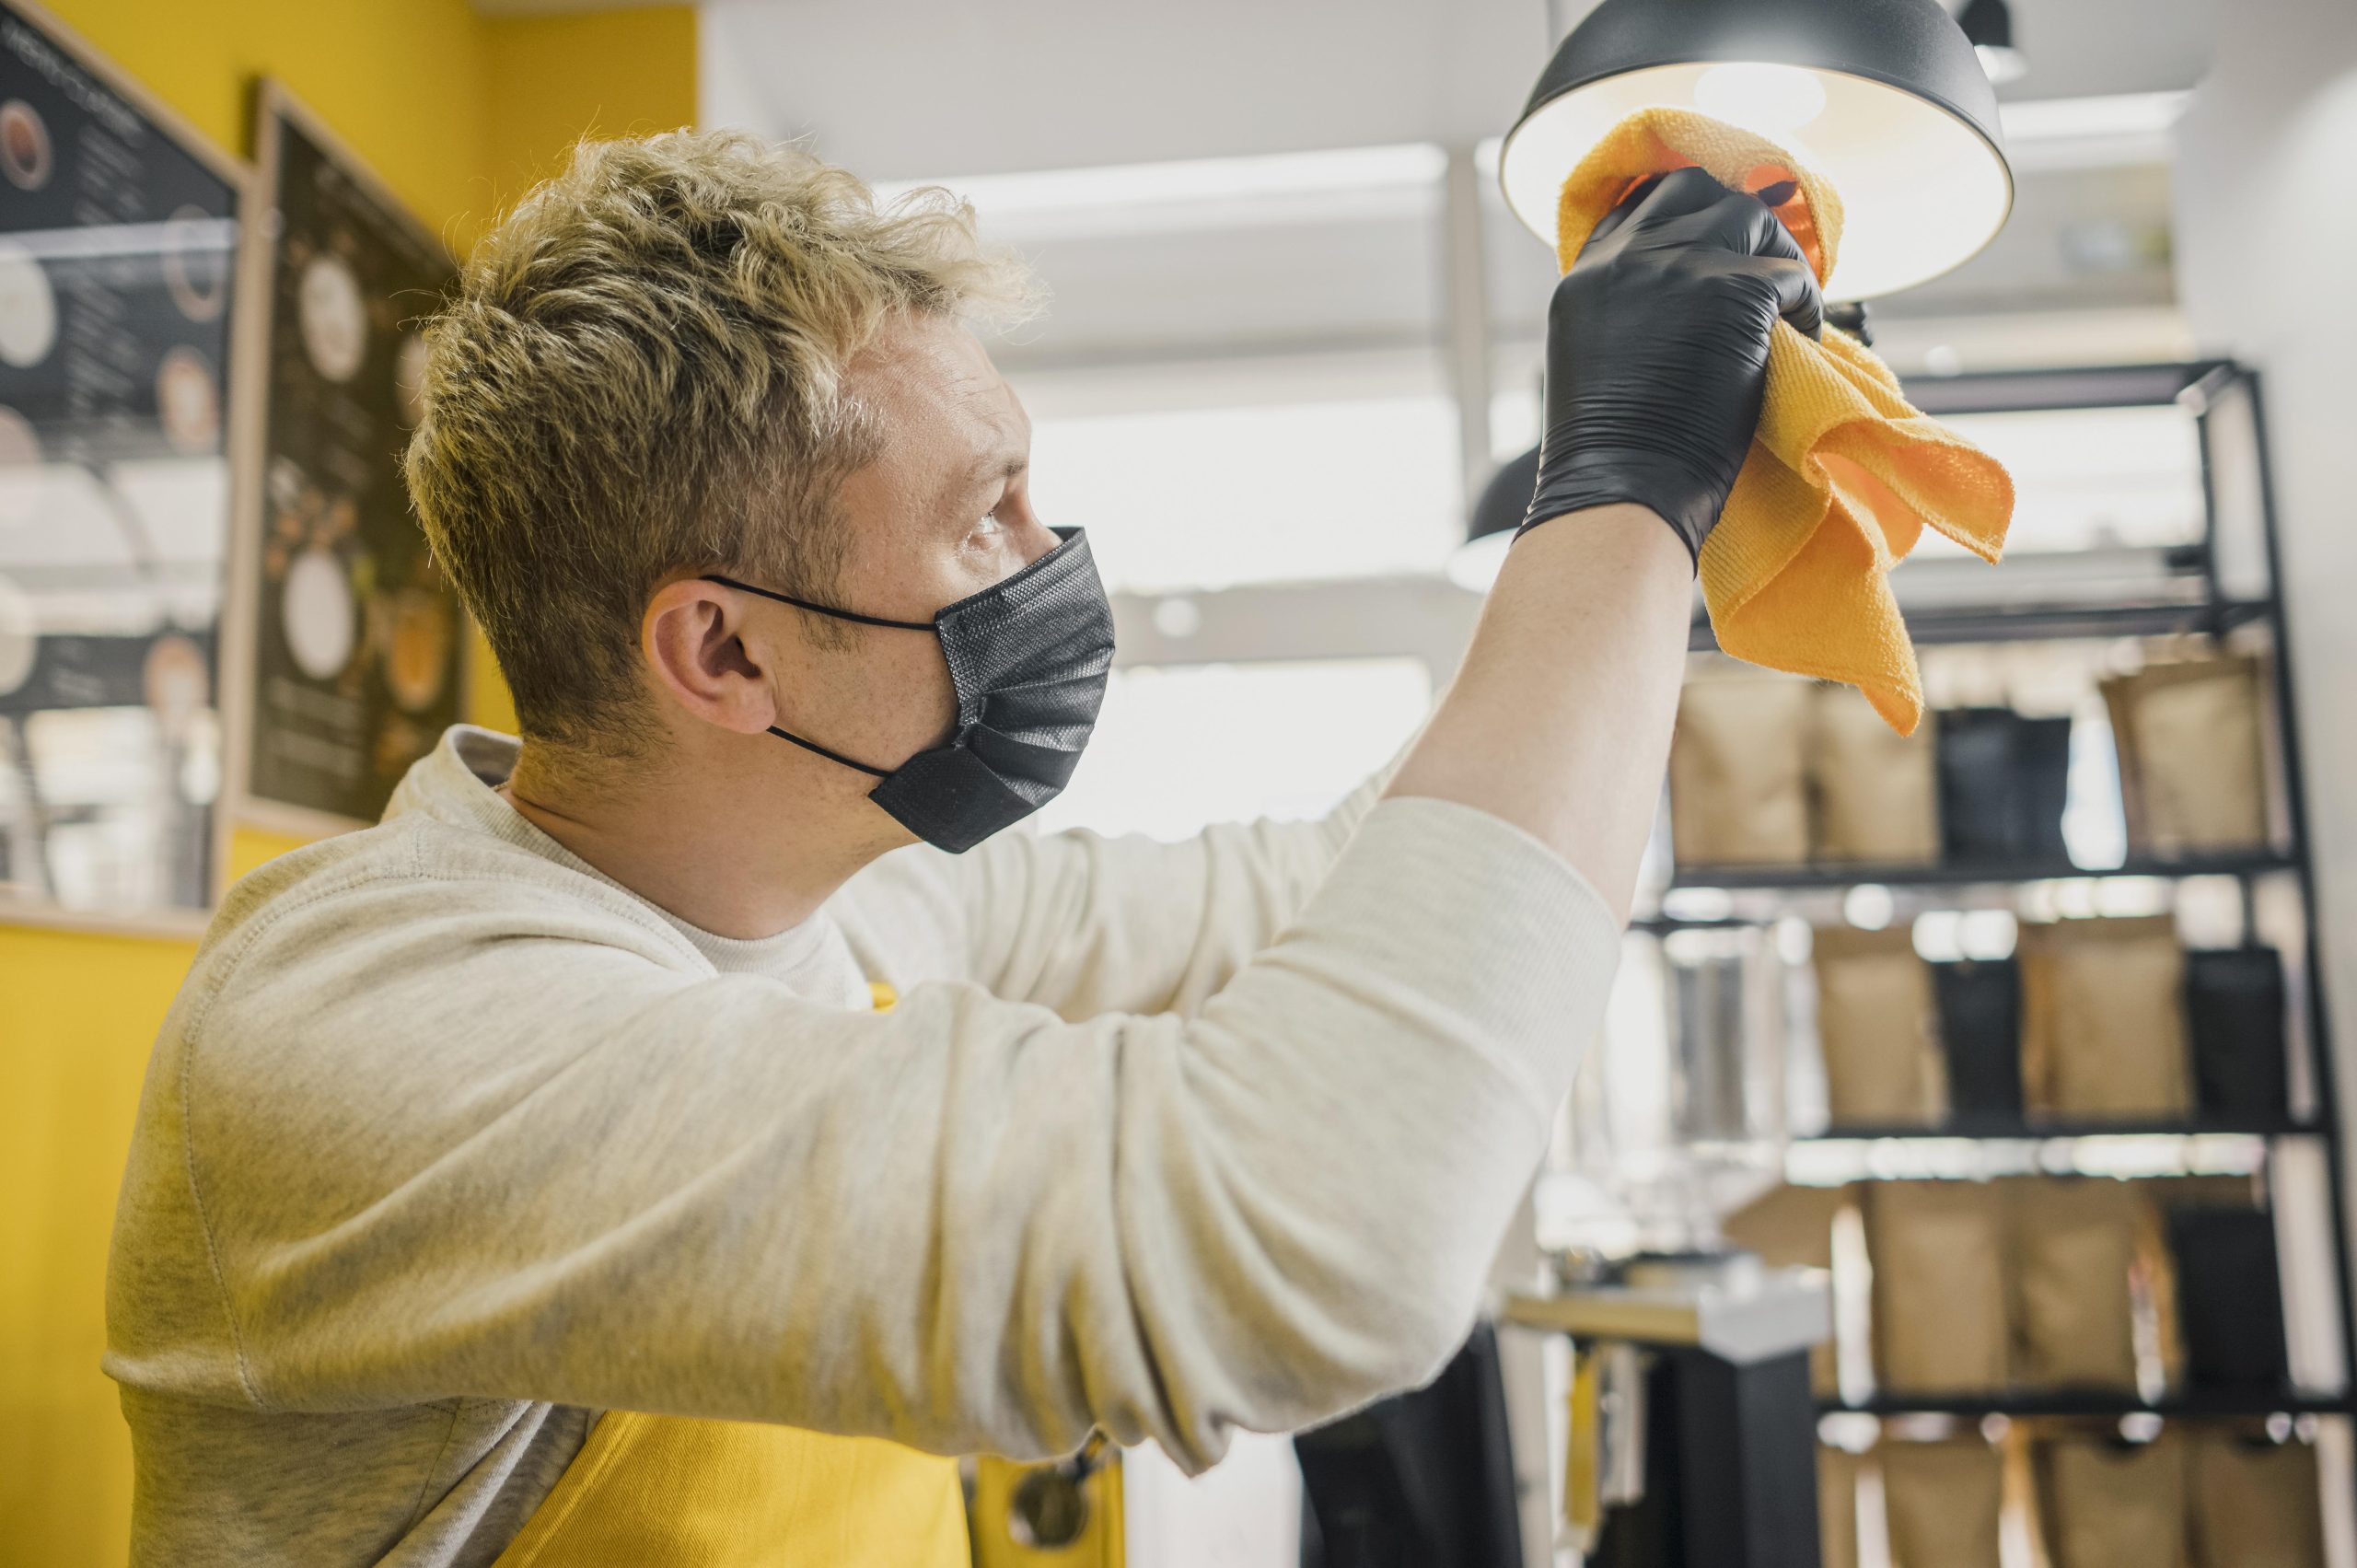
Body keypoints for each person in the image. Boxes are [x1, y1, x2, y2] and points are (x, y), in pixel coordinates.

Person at [104, 131, 1820, 1566]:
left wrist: (1662, 549)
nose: (1051, 555)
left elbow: (1315, 889)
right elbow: (1315, 1236)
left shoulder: (864, 892)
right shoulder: (381, 1030)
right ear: (723, 655)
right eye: (979, 514)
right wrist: (1622, 489)